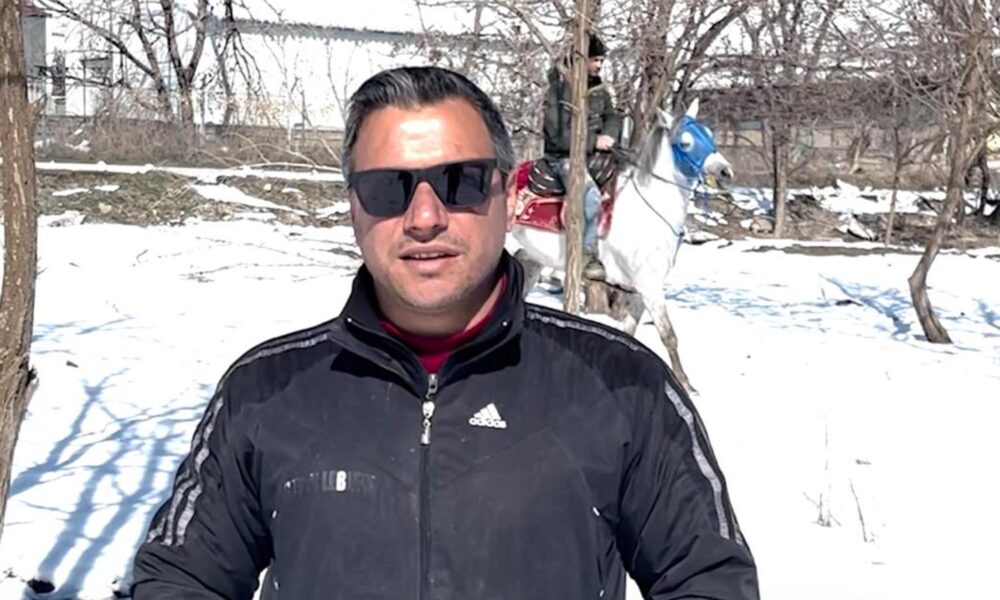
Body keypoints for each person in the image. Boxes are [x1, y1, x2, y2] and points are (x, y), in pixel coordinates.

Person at [130, 66, 758, 600]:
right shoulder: (264, 392)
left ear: (505, 195)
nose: (424, 217)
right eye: (388, 188)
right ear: (354, 207)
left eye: (460, 181)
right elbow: (180, 580)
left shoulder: (623, 385)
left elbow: (709, 580)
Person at [542, 32, 621, 280]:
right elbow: (557, 136)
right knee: (591, 197)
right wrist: (593, 141)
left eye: (602, 61)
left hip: (595, 156)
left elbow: (612, 116)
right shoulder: (558, 91)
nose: (599, 65)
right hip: (564, 158)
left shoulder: (598, 89)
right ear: (580, 60)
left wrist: (609, 134)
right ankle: (586, 255)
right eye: (595, 60)